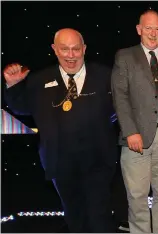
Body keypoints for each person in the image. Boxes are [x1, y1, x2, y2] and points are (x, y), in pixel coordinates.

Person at [3, 28, 118, 232]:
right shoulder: (39, 80)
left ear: (84, 49)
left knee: (99, 216)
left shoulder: (106, 76)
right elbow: (21, 108)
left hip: (98, 162)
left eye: (75, 49)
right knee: (74, 216)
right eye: (64, 49)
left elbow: (121, 108)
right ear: (55, 49)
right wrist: (12, 86)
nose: (70, 55)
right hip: (60, 163)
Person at [111, 10, 158, 233]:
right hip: (137, 137)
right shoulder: (125, 56)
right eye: (148, 28)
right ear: (139, 29)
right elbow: (119, 96)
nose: (153, 33)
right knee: (137, 197)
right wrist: (130, 131)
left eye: (157, 28)